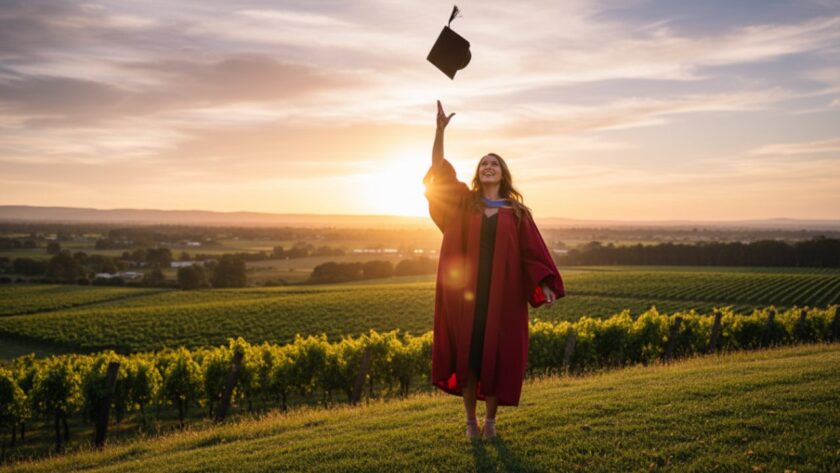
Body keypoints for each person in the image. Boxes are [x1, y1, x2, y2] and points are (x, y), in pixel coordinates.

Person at [424, 100, 566, 440]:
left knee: (496, 358)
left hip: (502, 298)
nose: (488, 167)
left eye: (494, 164)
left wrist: (545, 283)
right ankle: (470, 422)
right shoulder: (464, 203)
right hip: (466, 298)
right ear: (478, 174)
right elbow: (439, 172)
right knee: (470, 359)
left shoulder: (517, 213)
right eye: (484, 164)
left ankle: (490, 423)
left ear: (503, 174)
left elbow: (533, 253)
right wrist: (440, 132)